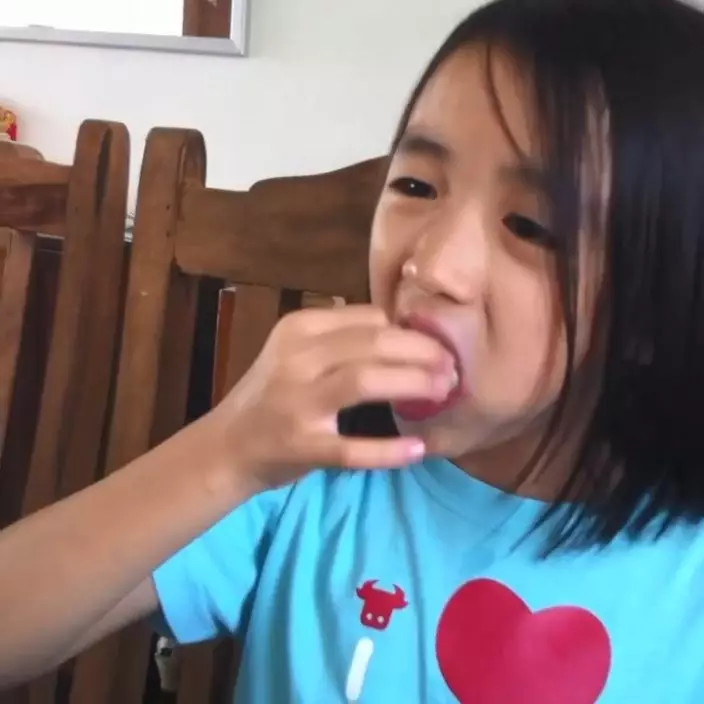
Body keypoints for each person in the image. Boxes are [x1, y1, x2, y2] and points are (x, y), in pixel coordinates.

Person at [3, 0, 704, 700]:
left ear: (654, 306)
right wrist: (226, 451)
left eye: (530, 225)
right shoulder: (301, 472)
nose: (430, 266)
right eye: (416, 186)